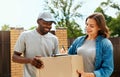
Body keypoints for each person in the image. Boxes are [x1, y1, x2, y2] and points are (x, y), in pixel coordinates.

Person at [12, 11, 59, 77]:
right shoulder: (25, 35)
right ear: (38, 21)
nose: (48, 26)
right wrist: (30, 60)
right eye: (45, 23)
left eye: (50, 24)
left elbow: (57, 59)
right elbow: (14, 57)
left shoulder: (54, 39)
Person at [68, 12, 114, 77]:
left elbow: (108, 69)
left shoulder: (105, 43)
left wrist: (89, 75)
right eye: (87, 24)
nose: (87, 28)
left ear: (99, 27)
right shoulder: (78, 40)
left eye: (91, 26)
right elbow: (69, 57)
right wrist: (64, 54)